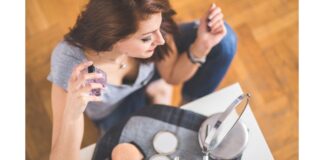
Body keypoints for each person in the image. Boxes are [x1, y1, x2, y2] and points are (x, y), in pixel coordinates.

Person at [47, 0, 237, 159]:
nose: (161, 40)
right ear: (113, 40)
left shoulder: (150, 18)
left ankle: (187, 107)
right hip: (115, 110)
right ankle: (158, 96)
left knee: (224, 42)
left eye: (158, 29)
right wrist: (71, 115)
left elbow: (172, 76)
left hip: (151, 75)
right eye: (146, 38)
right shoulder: (72, 66)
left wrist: (202, 46)